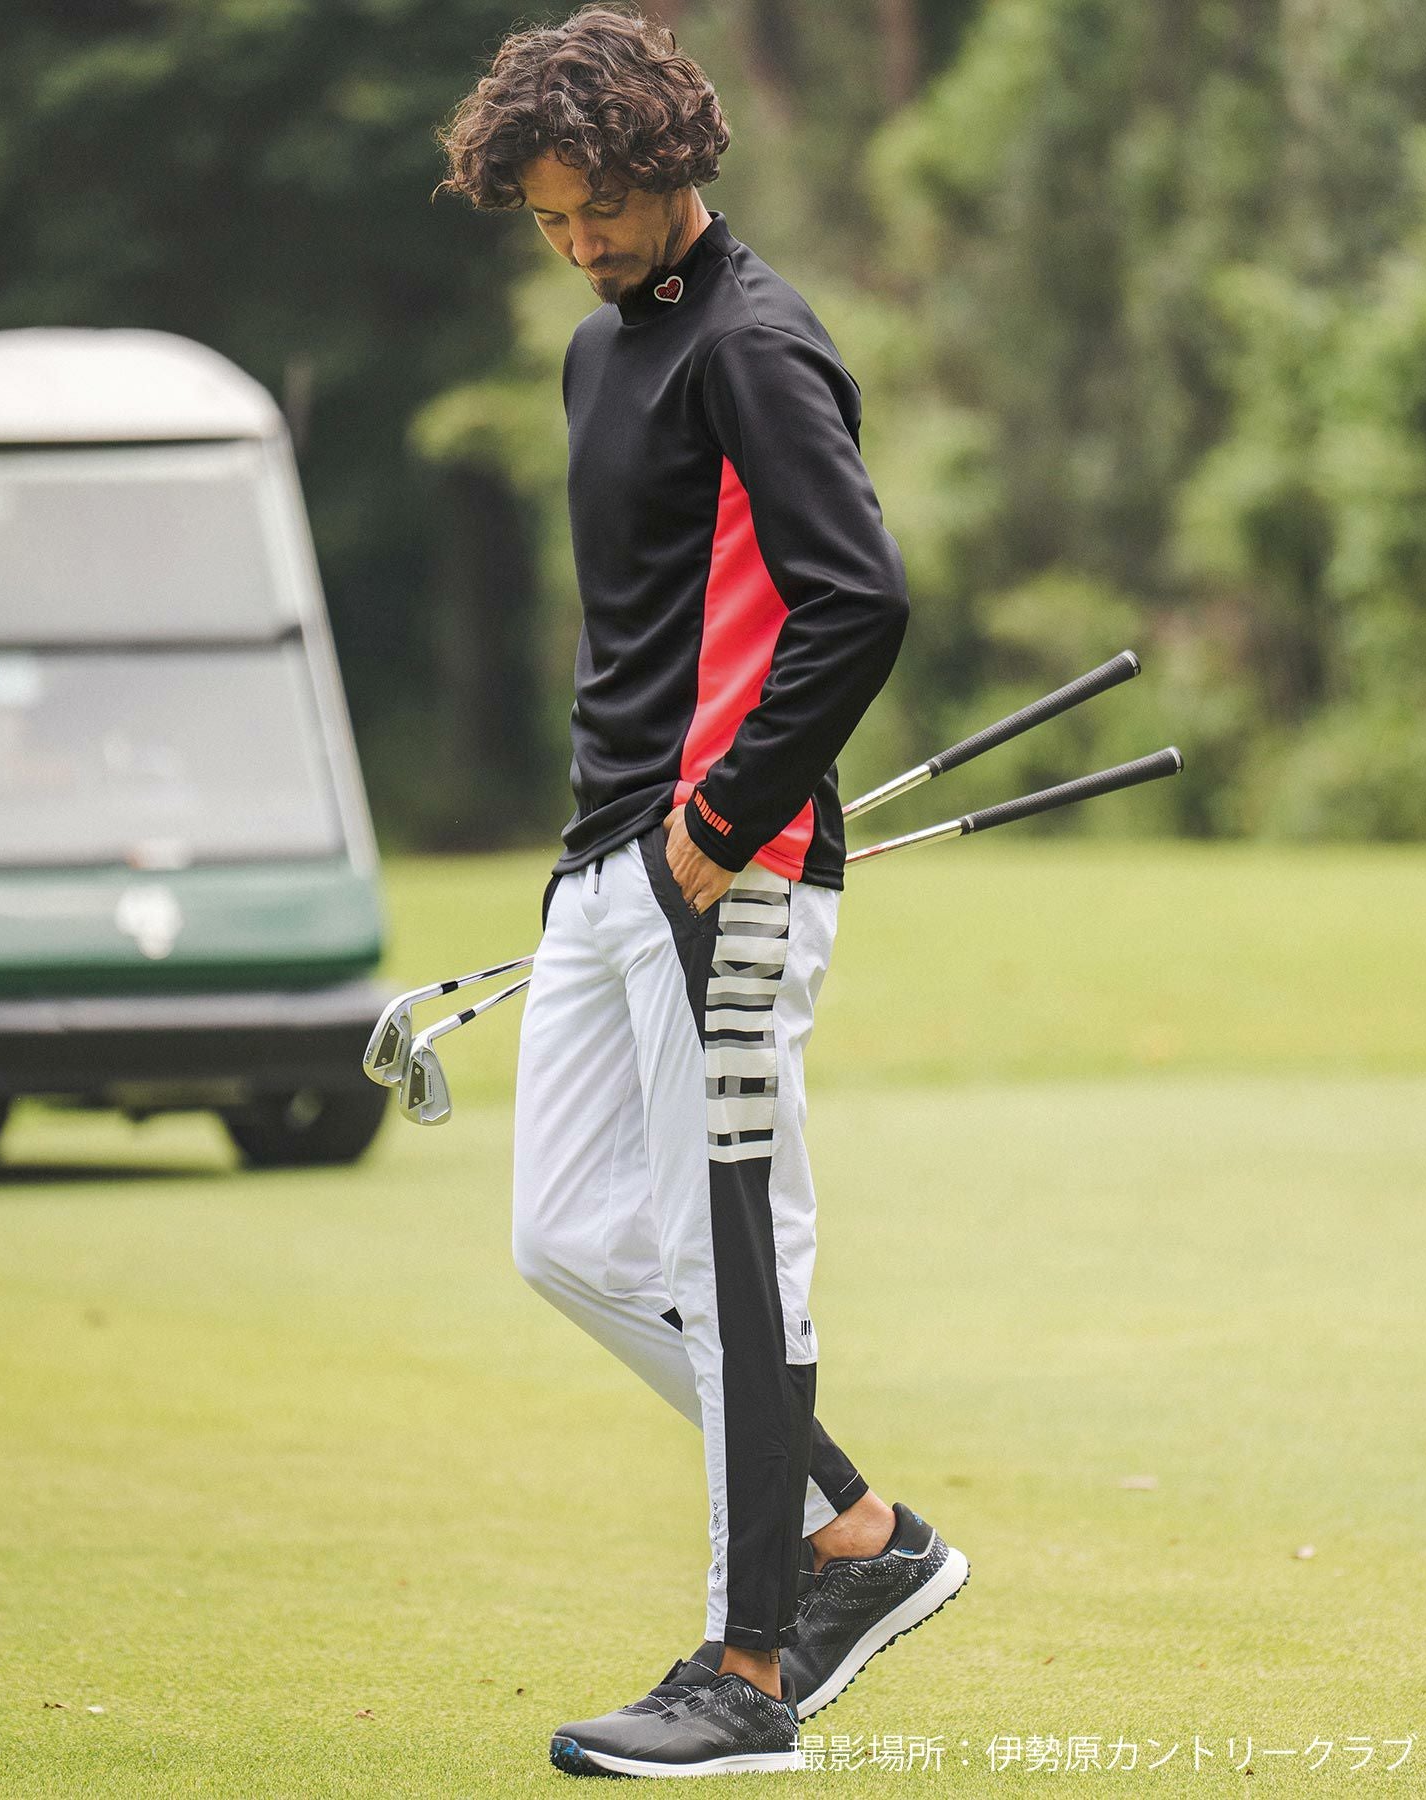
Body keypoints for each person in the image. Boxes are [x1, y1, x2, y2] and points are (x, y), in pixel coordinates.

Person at [435, 4, 968, 1777]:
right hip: (605, 866)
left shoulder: (753, 340)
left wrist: (718, 827)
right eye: (547, 218)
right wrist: (619, 852)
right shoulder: (602, 356)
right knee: (565, 1240)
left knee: (735, 1258)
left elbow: (857, 601)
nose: (579, 241)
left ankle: (749, 1677)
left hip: (718, 867)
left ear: (669, 164)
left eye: (598, 205)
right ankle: (861, 1536)